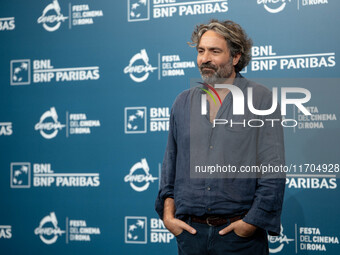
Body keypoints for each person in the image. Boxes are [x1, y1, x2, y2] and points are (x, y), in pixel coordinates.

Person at [155, 19, 285, 255]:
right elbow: (170, 164)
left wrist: (251, 223)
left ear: (235, 57)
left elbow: (272, 170)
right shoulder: (182, 102)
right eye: (201, 51)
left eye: (215, 51)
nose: (205, 58)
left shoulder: (260, 99)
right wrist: (168, 214)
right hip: (190, 235)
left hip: (240, 239)